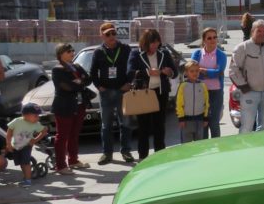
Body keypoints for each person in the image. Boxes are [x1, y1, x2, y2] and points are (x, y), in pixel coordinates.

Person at [127, 29, 178, 159]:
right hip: (144, 93)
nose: (155, 46)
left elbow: (175, 73)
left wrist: (168, 72)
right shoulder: (136, 54)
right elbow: (130, 73)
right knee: (143, 127)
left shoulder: (164, 53)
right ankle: (143, 157)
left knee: (159, 126)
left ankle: (160, 155)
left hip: (161, 93)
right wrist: (147, 72)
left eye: (157, 43)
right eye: (152, 43)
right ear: (145, 43)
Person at [90, 22, 134, 165]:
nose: (111, 36)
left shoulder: (125, 49)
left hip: (123, 91)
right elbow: (92, 72)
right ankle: (107, 154)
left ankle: (126, 151)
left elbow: (132, 67)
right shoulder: (98, 52)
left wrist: (129, 83)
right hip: (106, 93)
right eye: (108, 34)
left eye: (113, 33)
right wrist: (98, 86)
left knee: (125, 123)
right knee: (106, 125)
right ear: (102, 35)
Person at [232, 20, 264, 132]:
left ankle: (259, 148)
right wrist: (244, 87)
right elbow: (233, 69)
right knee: (247, 127)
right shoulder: (242, 48)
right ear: (252, 31)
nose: (262, 33)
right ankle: (244, 148)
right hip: (249, 93)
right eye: (259, 31)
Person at [51, 43, 91, 174]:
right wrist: (79, 83)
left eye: (73, 50)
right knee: (62, 136)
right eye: (68, 51)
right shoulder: (57, 69)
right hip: (64, 105)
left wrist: (78, 83)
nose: (72, 53)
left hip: (79, 105)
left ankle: (73, 160)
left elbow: (88, 80)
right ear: (60, 54)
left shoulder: (77, 66)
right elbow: (65, 86)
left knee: (74, 134)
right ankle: (60, 165)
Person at [191, 27, 228, 138]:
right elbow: (192, 71)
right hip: (199, 92)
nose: (213, 40)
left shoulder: (221, 55)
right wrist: (210, 72)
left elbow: (218, 72)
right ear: (204, 40)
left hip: (215, 93)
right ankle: (205, 148)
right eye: (209, 38)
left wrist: (202, 70)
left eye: (215, 37)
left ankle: (217, 148)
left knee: (214, 122)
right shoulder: (197, 54)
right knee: (203, 123)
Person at [5, 103, 47, 187]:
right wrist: (8, 144)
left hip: (26, 145)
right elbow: (9, 132)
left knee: (26, 163)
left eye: (38, 116)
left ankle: (28, 180)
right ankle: (26, 177)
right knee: (21, 163)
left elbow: (44, 130)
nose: (38, 118)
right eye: (35, 116)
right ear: (25, 115)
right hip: (16, 146)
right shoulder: (17, 121)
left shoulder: (36, 124)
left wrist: (35, 140)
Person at [176, 60, 209, 142]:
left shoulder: (203, 85)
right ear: (186, 73)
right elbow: (179, 103)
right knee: (186, 145)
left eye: (197, 71)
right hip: (186, 121)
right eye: (192, 71)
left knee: (199, 144)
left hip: (199, 120)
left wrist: (206, 117)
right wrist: (181, 118)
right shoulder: (183, 86)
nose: (195, 73)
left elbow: (206, 103)